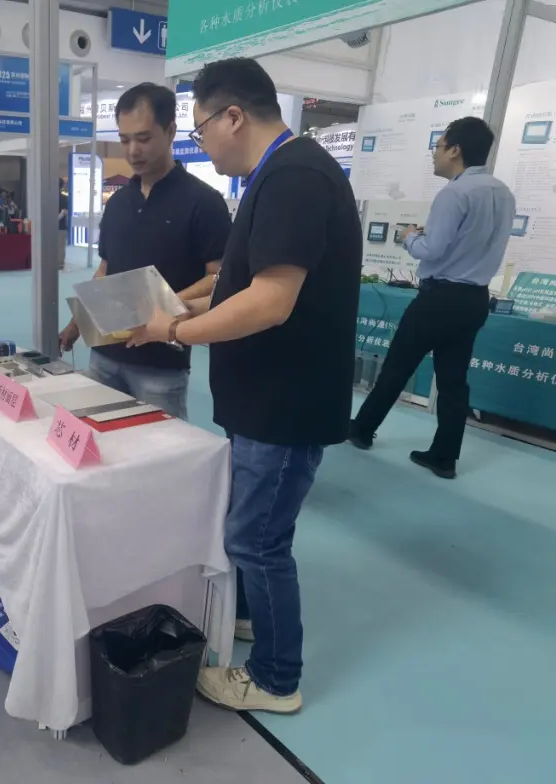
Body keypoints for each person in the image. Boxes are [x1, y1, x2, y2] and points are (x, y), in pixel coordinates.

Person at [129, 58, 361, 712]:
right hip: (264, 398)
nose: (201, 143)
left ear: (233, 116)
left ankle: (275, 679)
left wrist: (175, 331)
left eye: (199, 129)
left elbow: (269, 302)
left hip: (283, 404)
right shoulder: (275, 177)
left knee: (256, 540)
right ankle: (256, 616)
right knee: (253, 530)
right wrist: (180, 310)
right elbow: (239, 287)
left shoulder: (295, 177)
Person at [349, 117, 514, 479]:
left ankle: (361, 429)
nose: (434, 154)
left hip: (440, 298)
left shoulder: (454, 193)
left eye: (438, 146)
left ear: (455, 150)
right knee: (454, 380)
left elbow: (432, 250)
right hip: (474, 298)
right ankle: (444, 456)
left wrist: (410, 236)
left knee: (397, 366)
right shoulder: (502, 192)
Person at [58, 82, 232, 419]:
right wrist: (77, 323)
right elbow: (105, 271)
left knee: (161, 449)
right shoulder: (118, 203)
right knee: (98, 441)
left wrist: (161, 307)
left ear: (170, 131)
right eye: (124, 140)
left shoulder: (203, 202)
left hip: (160, 364)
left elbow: (220, 278)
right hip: (105, 355)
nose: (133, 150)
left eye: (144, 138)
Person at [58, 178, 69, 272]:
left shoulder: (47, 197)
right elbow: (65, 212)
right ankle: (60, 264)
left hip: (49, 226)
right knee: (61, 246)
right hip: (61, 226)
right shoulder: (64, 198)